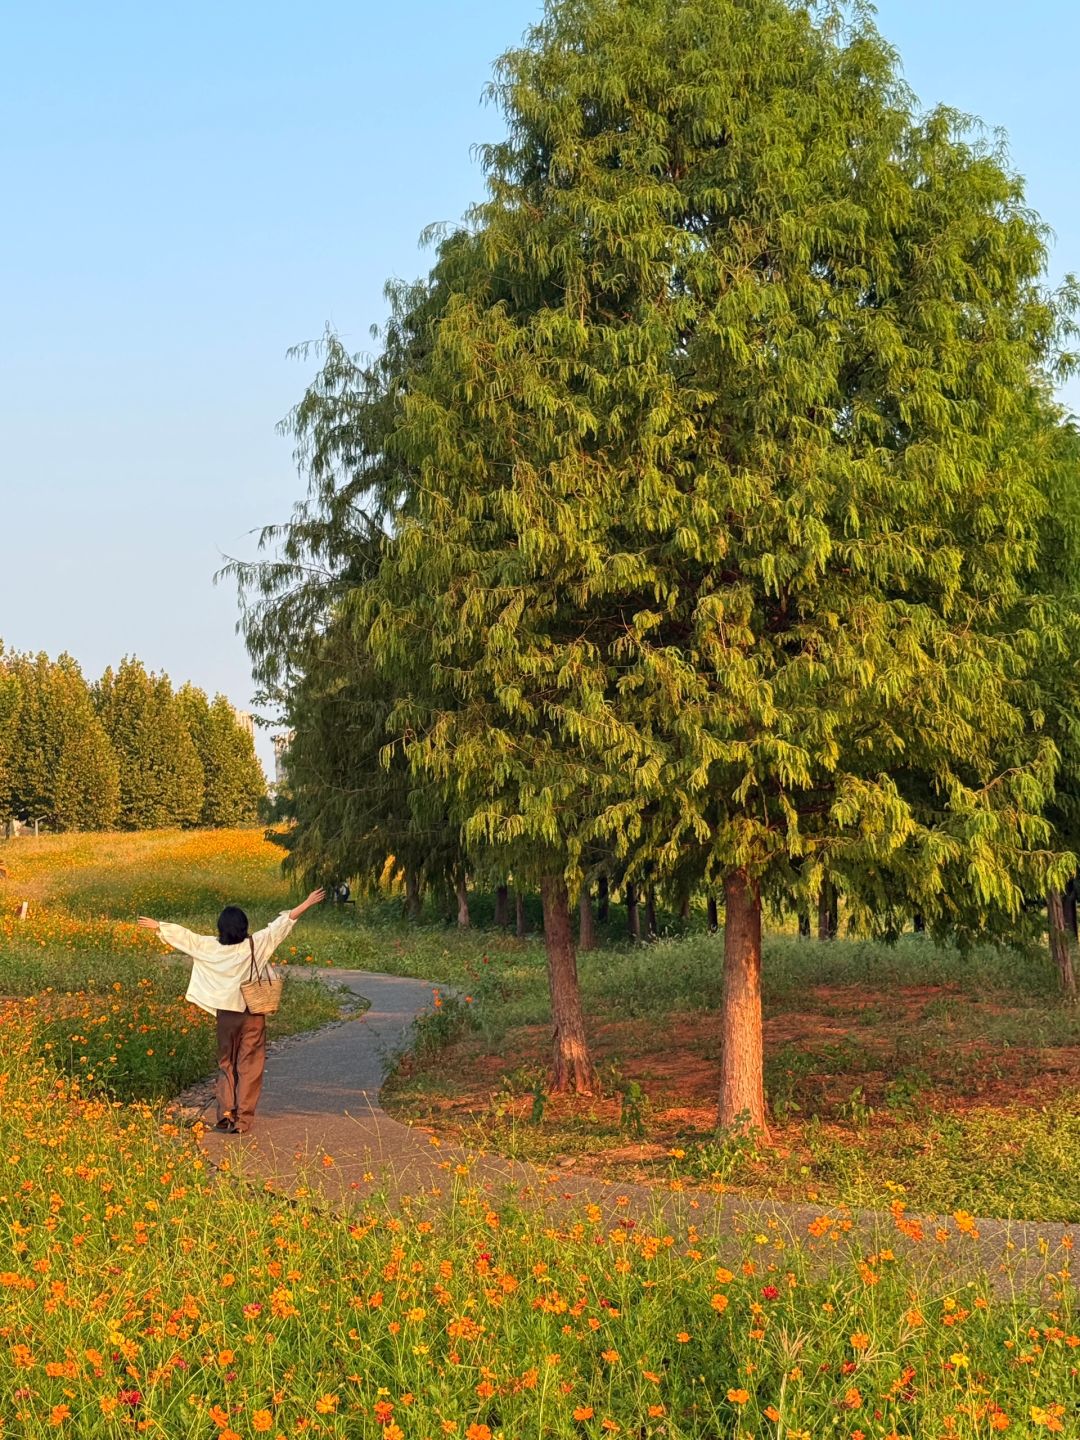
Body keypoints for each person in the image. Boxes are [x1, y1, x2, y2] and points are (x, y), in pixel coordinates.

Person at [138, 889, 326, 1134]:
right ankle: (243, 1120)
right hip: (252, 1013)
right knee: (249, 1065)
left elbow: (188, 938)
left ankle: (226, 1115)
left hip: (226, 1016)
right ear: (244, 925)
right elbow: (282, 924)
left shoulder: (210, 947)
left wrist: (159, 926)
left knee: (226, 1063)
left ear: (220, 928)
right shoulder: (255, 944)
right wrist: (307, 903)